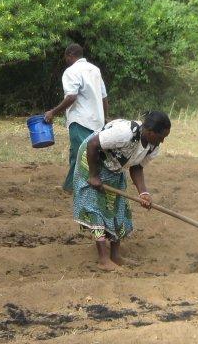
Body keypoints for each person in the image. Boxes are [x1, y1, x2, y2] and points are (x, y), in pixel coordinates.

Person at [72, 111, 171, 271]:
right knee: (95, 210)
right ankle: (104, 259)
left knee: (117, 208)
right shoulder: (125, 133)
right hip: (92, 161)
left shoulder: (153, 147)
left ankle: (115, 256)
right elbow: (93, 144)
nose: (163, 141)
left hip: (114, 168)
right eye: (161, 136)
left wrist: (143, 193)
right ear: (150, 131)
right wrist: (93, 175)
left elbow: (137, 167)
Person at [44, 43, 108, 191]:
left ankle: (72, 186)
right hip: (97, 121)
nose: (66, 60)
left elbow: (71, 96)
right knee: (92, 153)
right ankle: (73, 184)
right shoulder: (95, 70)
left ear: (70, 55)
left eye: (66, 57)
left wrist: (53, 112)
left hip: (80, 120)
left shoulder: (71, 71)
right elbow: (104, 97)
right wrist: (105, 117)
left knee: (79, 154)